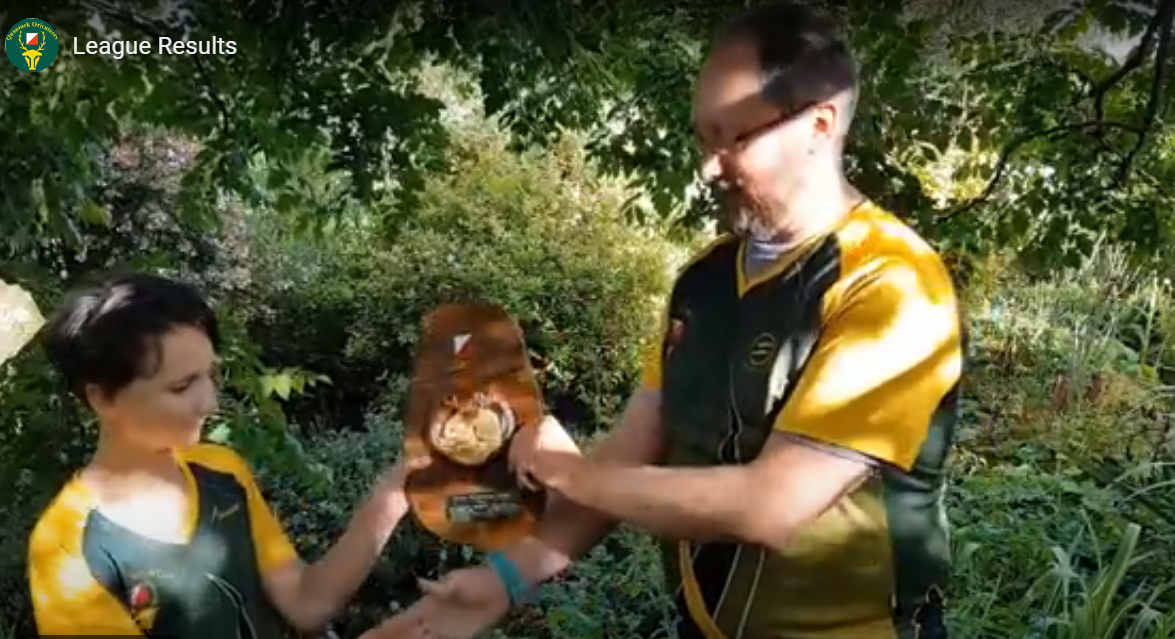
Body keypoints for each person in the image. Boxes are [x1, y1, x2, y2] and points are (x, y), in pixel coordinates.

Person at [362, 2, 965, 638]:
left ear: (818, 124)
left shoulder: (892, 283)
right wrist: (502, 582)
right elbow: (628, 456)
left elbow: (776, 505)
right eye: (702, 138)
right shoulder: (703, 281)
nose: (709, 167)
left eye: (735, 137)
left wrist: (570, 472)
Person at [27, 273, 429, 638]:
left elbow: (306, 602)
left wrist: (393, 495)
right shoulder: (68, 548)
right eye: (182, 386)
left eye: (210, 375)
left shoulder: (221, 471)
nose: (210, 401)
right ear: (101, 398)